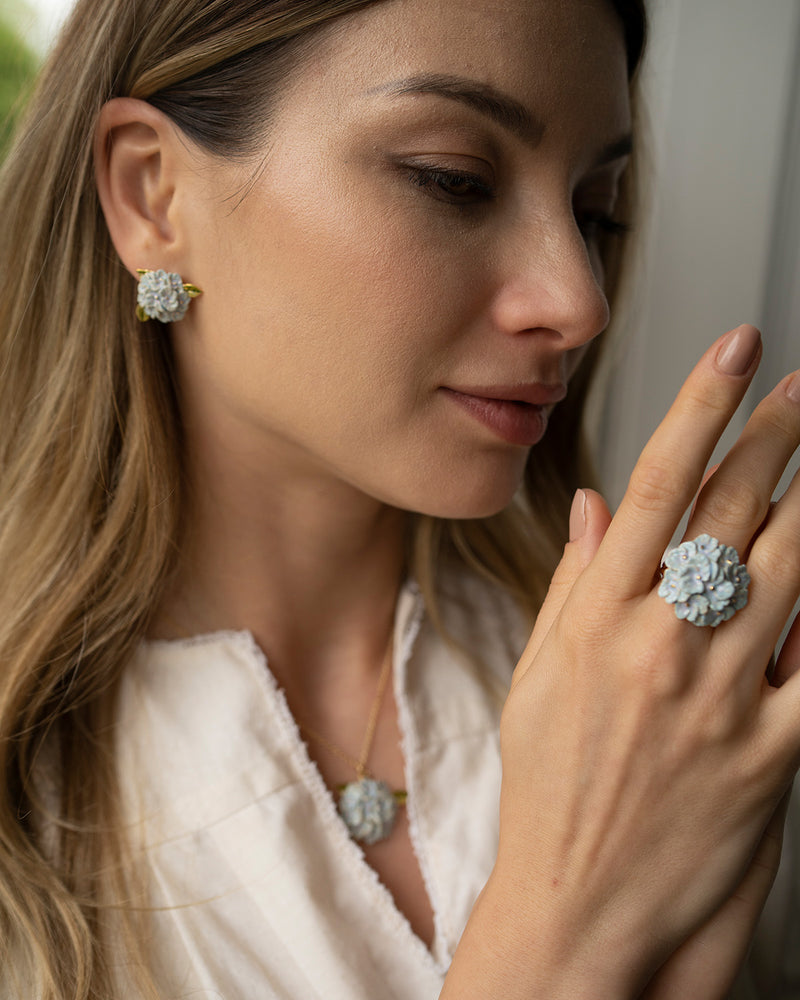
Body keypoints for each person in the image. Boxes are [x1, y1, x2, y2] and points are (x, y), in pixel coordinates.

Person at [0, 0, 798, 996]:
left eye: (596, 210)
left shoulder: (649, 706)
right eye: (451, 180)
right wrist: (553, 946)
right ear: (153, 194)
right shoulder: (28, 802)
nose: (578, 298)